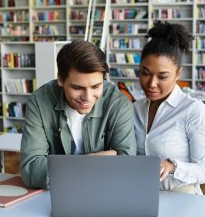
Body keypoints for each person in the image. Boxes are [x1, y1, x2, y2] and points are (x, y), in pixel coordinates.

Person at [21, 40, 137, 189]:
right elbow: (31, 169)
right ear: (61, 80)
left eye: (96, 86)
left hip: (104, 190)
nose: (88, 98)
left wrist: (61, 169)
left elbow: (126, 165)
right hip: (56, 194)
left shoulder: (119, 104)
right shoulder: (39, 101)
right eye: (77, 88)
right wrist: (88, 162)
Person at [133, 21, 205, 194]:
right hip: (141, 196)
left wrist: (172, 166)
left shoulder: (193, 111)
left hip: (182, 198)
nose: (151, 84)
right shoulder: (135, 109)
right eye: (145, 73)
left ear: (178, 74)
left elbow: (204, 171)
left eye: (162, 77)